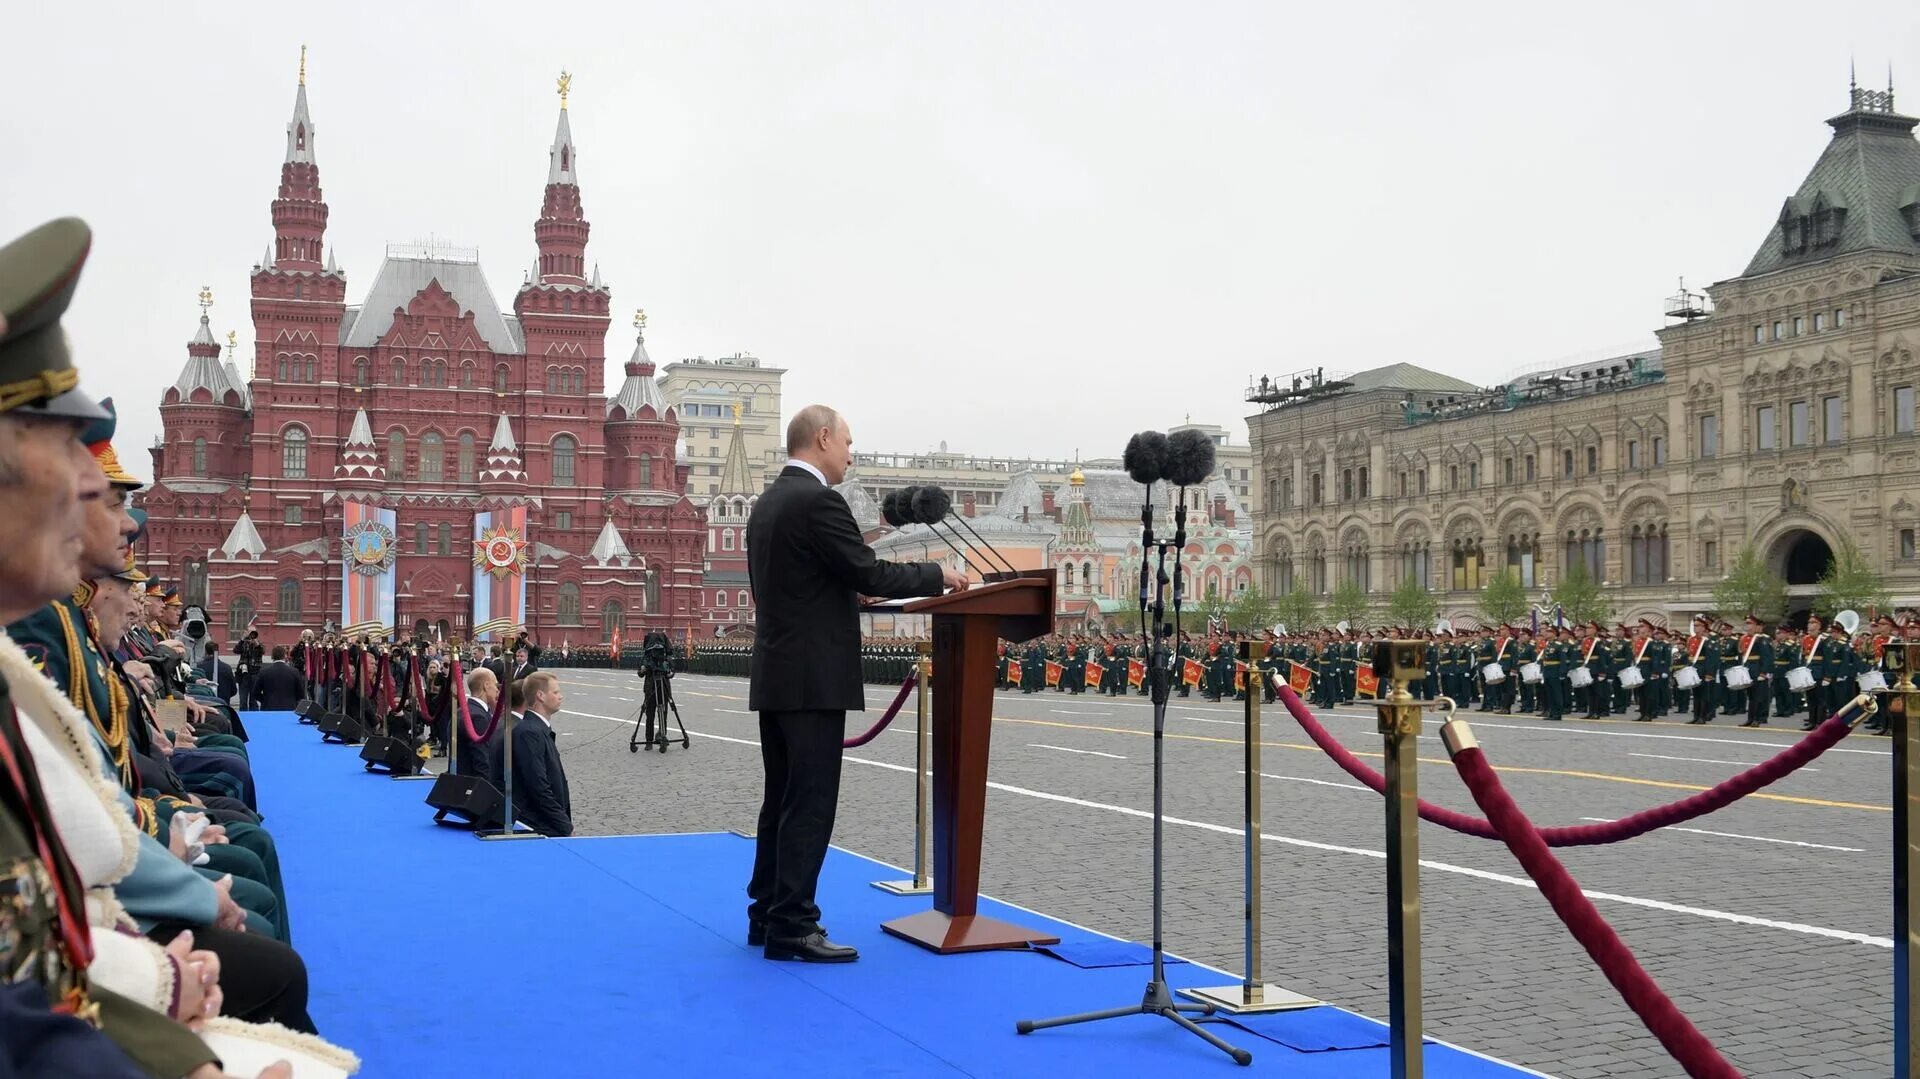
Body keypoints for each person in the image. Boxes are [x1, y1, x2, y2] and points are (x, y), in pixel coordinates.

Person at [746, 405, 962, 964]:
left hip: (778, 670)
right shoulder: (819, 501)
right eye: (846, 442)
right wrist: (939, 575)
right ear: (822, 438)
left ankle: (766, 913)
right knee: (810, 802)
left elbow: (800, 584)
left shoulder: (769, 503)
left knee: (781, 799)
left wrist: (847, 593)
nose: (850, 452)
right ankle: (795, 925)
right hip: (814, 676)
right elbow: (868, 569)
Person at [505, 672, 570, 837]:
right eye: (555, 692)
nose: (560, 696)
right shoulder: (529, 732)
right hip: (539, 826)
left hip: (544, 823)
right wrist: (564, 825)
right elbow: (538, 787)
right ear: (540, 696)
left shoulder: (536, 729)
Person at [251, 645, 305, 710]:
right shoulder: (294, 672)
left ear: (272, 657)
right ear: (285, 656)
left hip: (268, 708)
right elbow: (301, 694)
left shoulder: (263, 672)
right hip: (289, 708)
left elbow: (255, 693)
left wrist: (265, 700)